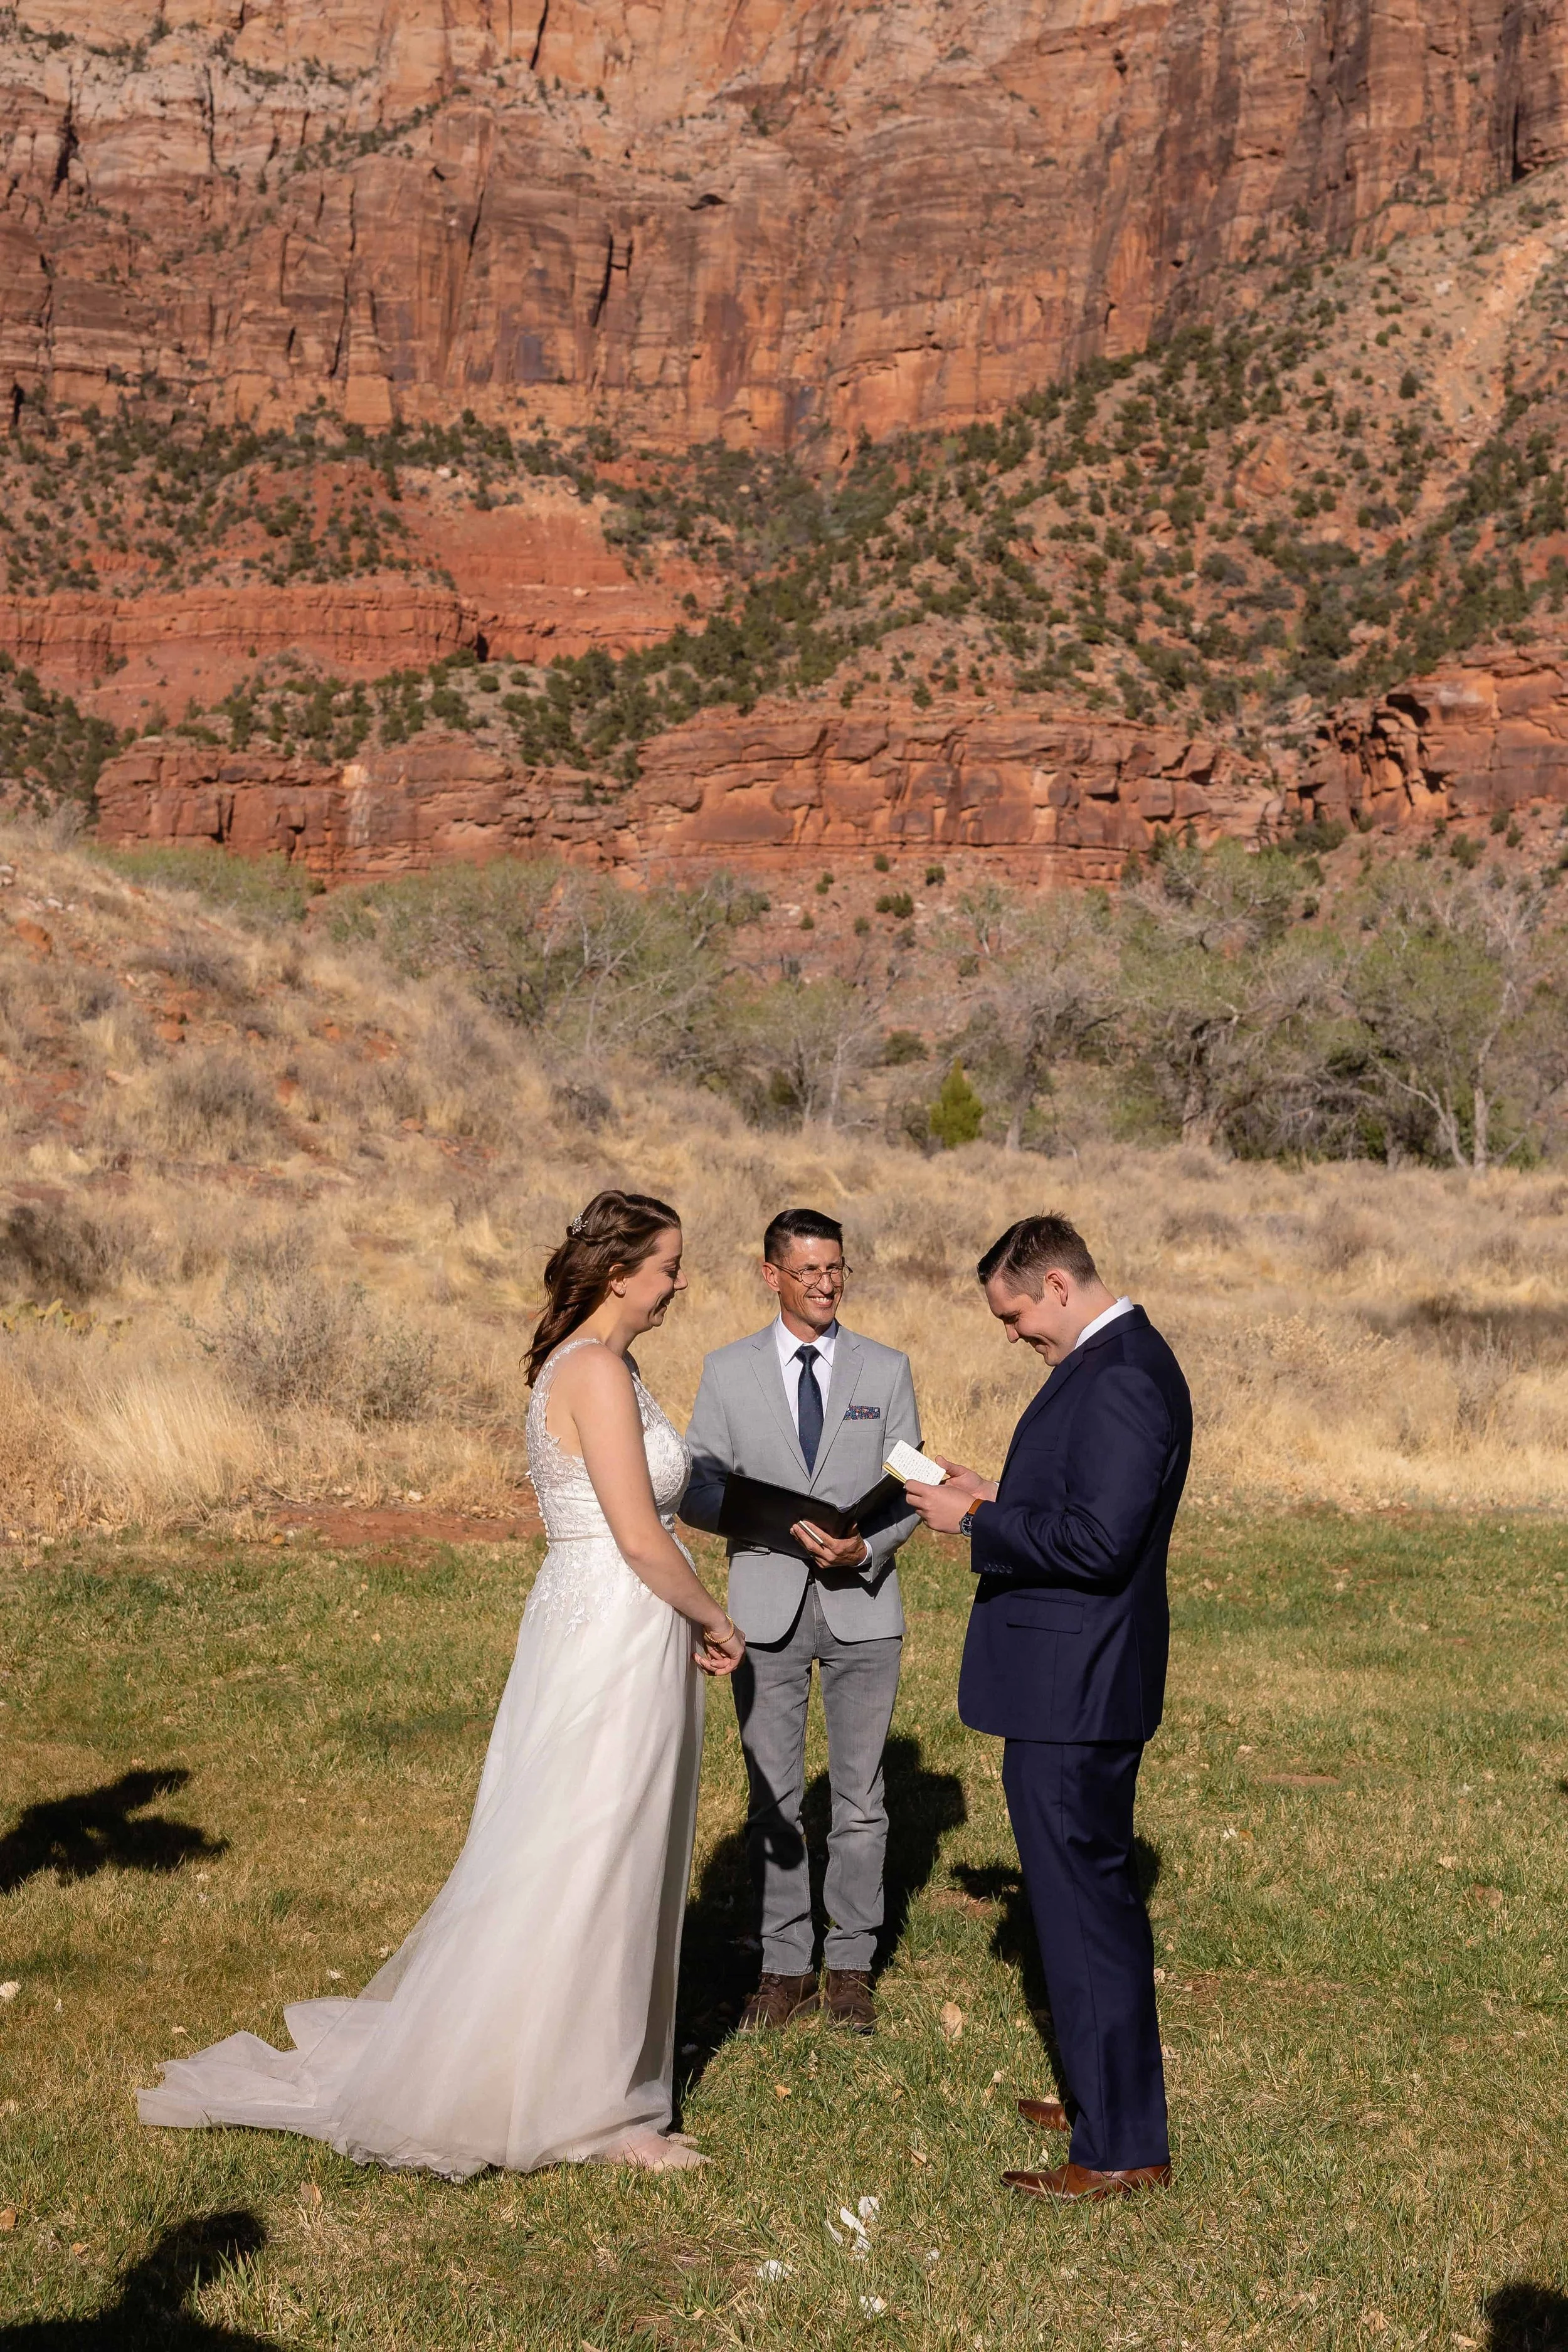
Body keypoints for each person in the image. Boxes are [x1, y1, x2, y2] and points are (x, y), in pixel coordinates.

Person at [138, 1190, 744, 2178]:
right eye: (671, 1265)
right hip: (614, 1622)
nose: (680, 1283)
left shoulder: (605, 1365)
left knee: (601, 1844)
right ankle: (596, 2109)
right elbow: (639, 1535)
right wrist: (715, 1616)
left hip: (603, 1619)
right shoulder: (592, 1369)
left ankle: (573, 2070)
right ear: (621, 1271)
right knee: (594, 1845)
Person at [906, 1214, 1191, 2204]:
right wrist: (997, 1489)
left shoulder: (1120, 1374)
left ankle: (1119, 2146)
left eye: (1020, 1317)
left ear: (1061, 1284)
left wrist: (980, 1519)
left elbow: (1101, 1542)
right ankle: (1104, 2102)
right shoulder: (1116, 1361)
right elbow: (1077, 1505)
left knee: (1083, 1914)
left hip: (1079, 1688)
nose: (1018, 1335)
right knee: (1081, 1909)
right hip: (1076, 1679)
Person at [681, 1207, 921, 2035]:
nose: (826, 1282)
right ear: (770, 1272)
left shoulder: (886, 1370)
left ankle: (850, 1966)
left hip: (864, 1611)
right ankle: (784, 1969)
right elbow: (699, 1489)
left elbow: (913, 1483)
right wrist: (776, 1524)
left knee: (860, 1801)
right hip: (764, 1608)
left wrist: (865, 1551)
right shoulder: (726, 1371)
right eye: (810, 1268)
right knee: (772, 1801)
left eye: (838, 1268)